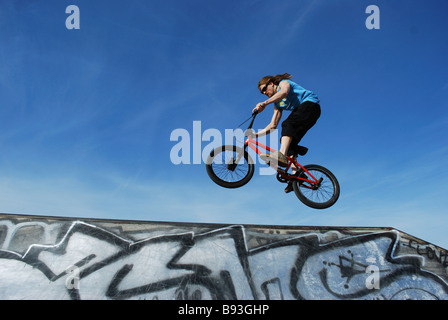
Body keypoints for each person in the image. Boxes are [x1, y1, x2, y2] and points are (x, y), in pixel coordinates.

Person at [251, 73, 321, 193]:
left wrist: (264, 104)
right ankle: (297, 176)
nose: (264, 93)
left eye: (264, 89)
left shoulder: (283, 83)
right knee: (288, 142)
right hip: (307, 116)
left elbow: (284, 92)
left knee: (287, 124)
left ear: (271, 84)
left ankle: (281, 155)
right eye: (261, 92)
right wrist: (255, 135)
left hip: (311, 105)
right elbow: (272, 126)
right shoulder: (277, 104)